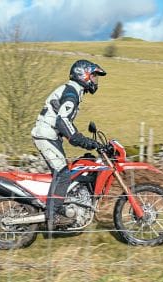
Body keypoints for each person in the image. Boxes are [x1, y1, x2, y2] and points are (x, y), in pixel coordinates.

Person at [31, 59, 107, 222]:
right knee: (63, 173)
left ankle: (59, 207)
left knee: (68, 170)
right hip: (46, 135)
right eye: (93, 76)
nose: (95, 80)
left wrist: (85, 140)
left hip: (50, 136)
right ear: (83, 74)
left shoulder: (73, 91)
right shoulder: (72, 93)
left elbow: (64, 122)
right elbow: (62, 121)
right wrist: (81, 140)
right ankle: (52, 216)